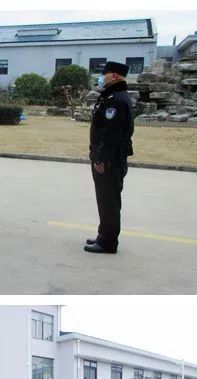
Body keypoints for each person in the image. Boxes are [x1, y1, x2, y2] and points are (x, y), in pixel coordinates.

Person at [85, 61, 134, 255]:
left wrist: (101, 159)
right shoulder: (111, 96)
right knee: (104, 199)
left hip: (110, 160)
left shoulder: (116, 100)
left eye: (104, 74)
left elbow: (111, 134)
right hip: (108, 157)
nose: (101, 77)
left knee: (109, 201)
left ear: (114, 76)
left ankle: (108, 242)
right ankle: (103, 235)